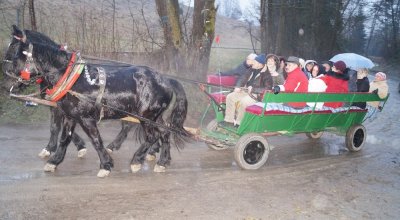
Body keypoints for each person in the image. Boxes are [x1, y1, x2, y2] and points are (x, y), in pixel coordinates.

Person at [224, 54, 273, 126]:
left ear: (260, 64)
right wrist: (238, 86)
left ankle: (239, 123)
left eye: (255, 61)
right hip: (245, 91)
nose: (252, 62)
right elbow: (243, 78)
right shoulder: (251, 69)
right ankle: (229, 121)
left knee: (244, 102)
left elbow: (268, 89)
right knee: (230, 97)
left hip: (256, 95)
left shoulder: (267, 75)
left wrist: (253, 89)